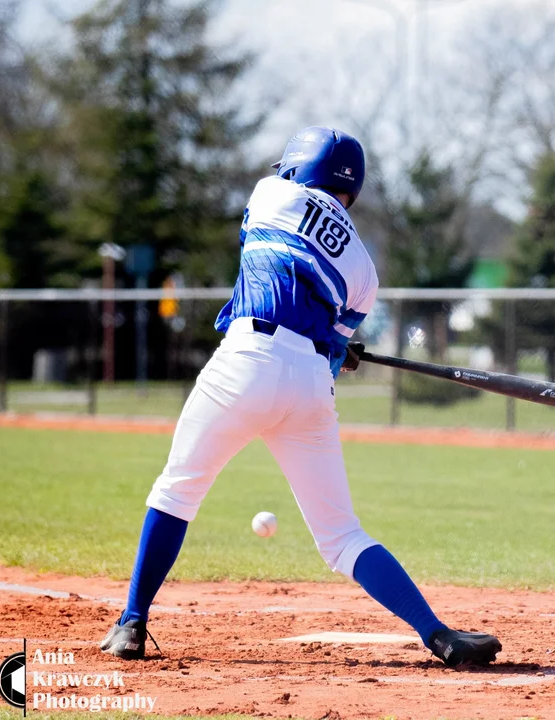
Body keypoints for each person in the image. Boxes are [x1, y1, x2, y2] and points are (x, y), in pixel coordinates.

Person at [99, 126, 502, 668]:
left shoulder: (270, 195)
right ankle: (438, 634)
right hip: (309, 382)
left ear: (299, 168)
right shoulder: (365, 269)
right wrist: (338, 348)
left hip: (246, 359)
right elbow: (332, 348)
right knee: (341, 536)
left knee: (177, 491)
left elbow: (268, 267)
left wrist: (329, 341)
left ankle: (131, 622)